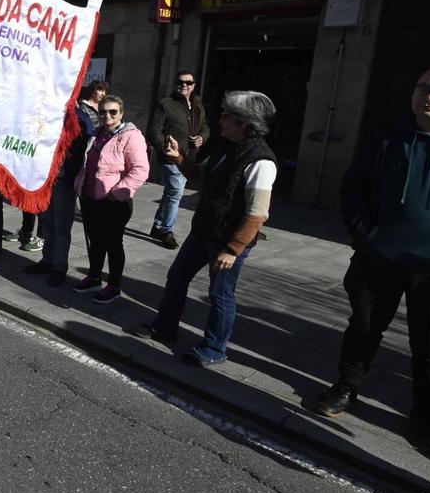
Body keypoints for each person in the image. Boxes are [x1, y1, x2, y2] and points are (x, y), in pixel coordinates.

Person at [314, 64, 430, 457]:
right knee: (363, 328)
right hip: (380, 258)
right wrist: (366, 237)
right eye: (423, 88)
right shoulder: (387, 136)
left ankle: (426, 413)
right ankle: (346, 388)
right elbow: (353, 188)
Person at [130, 91, 278, 368]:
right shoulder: (226, 145)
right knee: (177, 277)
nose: (220, 121)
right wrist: (179, 158)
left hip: (228, 241)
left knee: (220, 294)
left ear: (246, 125)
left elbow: (257, 214)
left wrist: (234, 249)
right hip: (204, 230)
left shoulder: (261, 161)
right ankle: (164, 328)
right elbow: (199, 176)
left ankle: (214, 348)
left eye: (227, 117)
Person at [72, 95, 149, 303]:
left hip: (114, 201)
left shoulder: (131, 136)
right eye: (103, 111)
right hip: (90, 197)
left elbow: (140, 170)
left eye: (113, 112)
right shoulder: (97, 134)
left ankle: (113, 286)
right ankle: (94, 277)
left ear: (121, 114)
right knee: (95, 241)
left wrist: (118, 192)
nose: (108, 115)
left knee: (113, 244)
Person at [26, 102, 97, 286]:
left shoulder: (81, 118)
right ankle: (47, 261)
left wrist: (73, 176)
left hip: (64, 180)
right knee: (47, 222)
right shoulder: (49, 112)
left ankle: (59, 267)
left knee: (62, 227)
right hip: (46, 180)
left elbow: (84, 148)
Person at [147, 70, 209, 249]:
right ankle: (166, 230)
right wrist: (164, 148)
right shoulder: (166, 104)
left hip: (188, 158)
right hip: (170, 158)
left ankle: (158, 225)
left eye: (188, 82)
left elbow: (206, 127)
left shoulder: (198, 105)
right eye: (180, 82)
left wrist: (202, 138)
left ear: (193, 86)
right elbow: (154, 130)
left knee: (170, 193)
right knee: (175, 193)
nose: (184, 85)